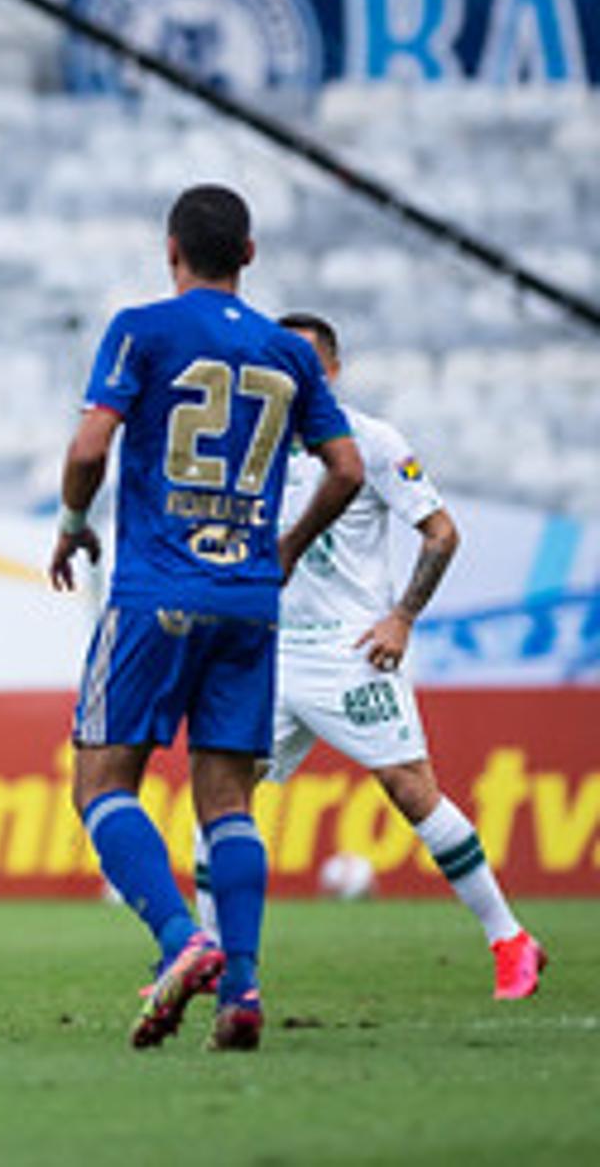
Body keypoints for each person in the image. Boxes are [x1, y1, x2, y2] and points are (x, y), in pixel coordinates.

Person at [50, 186, 363, 1051]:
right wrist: (287, 546)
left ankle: (181, 943)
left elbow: (87, 448)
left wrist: (75, 525)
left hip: (157, 590)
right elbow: (345, 469)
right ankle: (244, 988)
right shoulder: (288, 353)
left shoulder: (140, 328)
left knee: (103, 782)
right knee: (227, 800)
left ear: (171, 251)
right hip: (249, 598)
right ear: (250, 255)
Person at [191, 313, 545, 999]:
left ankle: (509, 937)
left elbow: (441, 532)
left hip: (349, 651)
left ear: (331, 371)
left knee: (411, 790)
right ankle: (214, 964)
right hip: (266, 652)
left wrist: (402, 617)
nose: (293, 378)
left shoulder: (373, 442)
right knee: (220, 799)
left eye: (306, 365)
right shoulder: (246, 445)